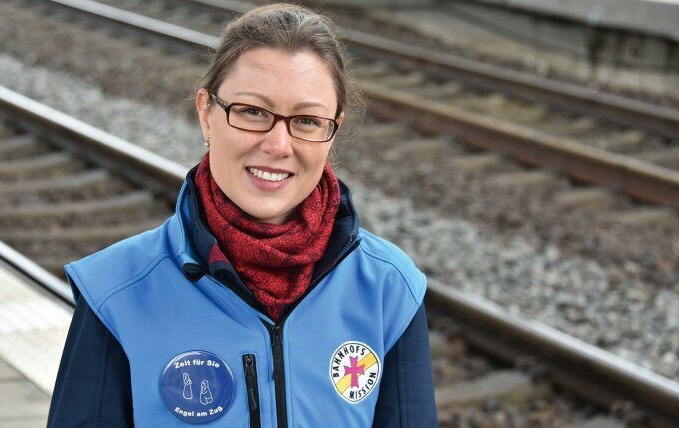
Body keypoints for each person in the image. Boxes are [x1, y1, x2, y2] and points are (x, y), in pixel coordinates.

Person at [47, 3, 438, 427]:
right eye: (253, 112)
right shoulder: (117, 293)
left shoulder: (388, 290)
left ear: (333, 131)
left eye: (306, 120)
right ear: (206, 114)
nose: (278, 144)